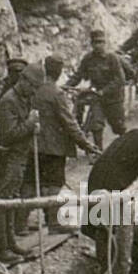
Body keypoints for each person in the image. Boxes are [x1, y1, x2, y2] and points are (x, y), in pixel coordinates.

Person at [84, 116, 138, 265]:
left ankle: (104, 259)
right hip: (113, 182)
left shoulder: (134, 133)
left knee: (102, 220)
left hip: (99, 176)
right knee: (110, 221)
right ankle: (109, 262)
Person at [31, 55, 98, 227]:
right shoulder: (56, 93)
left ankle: (21, 224)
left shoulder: (34, 88)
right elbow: (70, 123)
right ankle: (53, 220)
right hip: (53, 147)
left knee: (33, 182)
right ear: (59, 72)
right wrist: (86, 145)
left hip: (34, 144)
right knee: (54, 183)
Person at [0, 65, 40, 264]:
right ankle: (2, 250)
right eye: (34, 87)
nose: (35, 91)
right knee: (1, 204)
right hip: (8, 158)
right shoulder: (8, 101)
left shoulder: (24, 98)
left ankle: (11, 244)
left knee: (11, 202)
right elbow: (9, 134)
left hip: (19, 158)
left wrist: (33, 126)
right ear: (25, 81)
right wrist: (30, 123)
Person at [69, 29, 128, 150]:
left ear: (105, 43)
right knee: (96, 124)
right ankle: (98, 151)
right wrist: (67, 85)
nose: (98, 45)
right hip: (97, 97)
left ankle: (126, 147)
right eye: (96, 42)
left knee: (118, 127)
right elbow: (78, 75)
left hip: (114, 98)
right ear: (92, 44)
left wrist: (104, 91)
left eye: (101, 42)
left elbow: (120, 80)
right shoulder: (88, 59)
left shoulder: (112, 58)